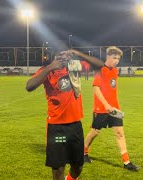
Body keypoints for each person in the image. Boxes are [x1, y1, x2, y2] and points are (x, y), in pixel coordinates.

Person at [26, 50, 103, 180]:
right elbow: (29, 86)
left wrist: (77, 53)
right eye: (60, 54)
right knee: (58, 167)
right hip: (57, 128)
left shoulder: (74, 66)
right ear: (53, 57)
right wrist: (50, 67)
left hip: (75, 126)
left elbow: (100, 64)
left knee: (78, 166)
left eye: (66, 54)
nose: (64, 57)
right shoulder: (47, 70)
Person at [83, 46, 140, 171]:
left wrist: (112, 106)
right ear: (107, 57)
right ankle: (84, 153)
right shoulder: (100, 70)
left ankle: (127, 162)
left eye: (118, 58)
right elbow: (96, 88)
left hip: (114, 109)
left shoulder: (115, 71)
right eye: (114, 58)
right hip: (101, 109)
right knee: (95, 132)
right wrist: (105, 104)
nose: (116, 60)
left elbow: (111, 90)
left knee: (120, 133)